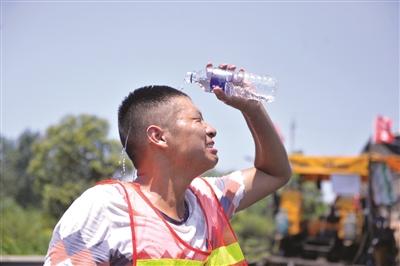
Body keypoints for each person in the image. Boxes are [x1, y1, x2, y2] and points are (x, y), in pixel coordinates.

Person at [44, 63, 292, 265]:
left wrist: (252, 108)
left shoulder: (210, 198)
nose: (212, 130)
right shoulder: (106, 208)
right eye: (198, 120)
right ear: (159, 136)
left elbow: (275, 171)